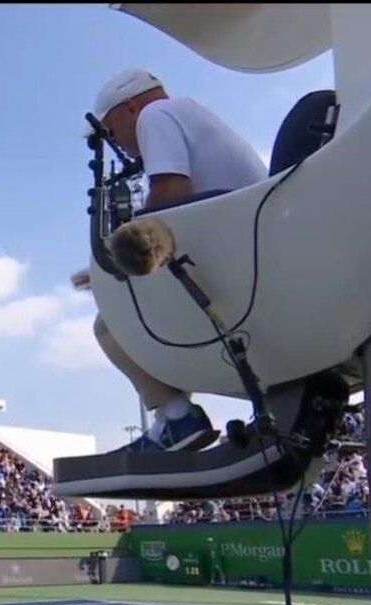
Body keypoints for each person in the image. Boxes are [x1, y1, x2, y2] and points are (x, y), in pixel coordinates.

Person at [74, 68, 267, 454]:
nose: (120, 146)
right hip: (247, 262)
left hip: (235, 279)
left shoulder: (156, 116)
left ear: (129, 108)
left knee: (110, 325)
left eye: (112, 132)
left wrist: (113, 260)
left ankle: (177, 417)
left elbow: (171, 194)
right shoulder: (191, 115)